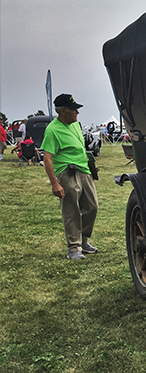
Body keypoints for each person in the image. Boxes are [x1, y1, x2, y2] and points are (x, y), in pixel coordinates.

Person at [42, 94, 99, 260]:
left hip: (84, 170)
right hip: (67, 172)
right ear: (63, 111)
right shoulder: (52, 130)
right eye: (74, 110)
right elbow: (47, 158)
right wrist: (55, 183)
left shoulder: (75, 125)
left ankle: (84, 240)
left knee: (92, 207)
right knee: (71, 210)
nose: (77, 113)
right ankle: (74, 247)